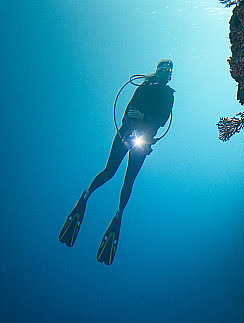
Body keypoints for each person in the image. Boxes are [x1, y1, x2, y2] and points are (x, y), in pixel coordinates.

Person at [59, 59, 174, 265]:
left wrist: (143, 118)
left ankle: (118, 215)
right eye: (163, 69)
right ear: (157, 71)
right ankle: (85, 196)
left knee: (128, 180)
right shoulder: (144, 87)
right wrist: (130, 127)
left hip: (143, 140)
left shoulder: (168, 96)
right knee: (109, 172)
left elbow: (162, 120)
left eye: (169, 71)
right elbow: (128, 112)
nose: (166, 73)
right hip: (127, 134)